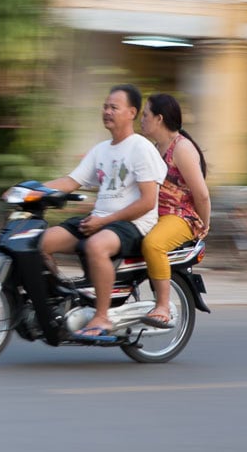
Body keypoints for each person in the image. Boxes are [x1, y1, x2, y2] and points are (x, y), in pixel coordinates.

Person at [40, 84, 167, 341]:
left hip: (133, 224)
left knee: (96, 246)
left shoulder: (140, 148)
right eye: (105, 106)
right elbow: (70, 181)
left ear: (132, 112)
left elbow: (147, 202)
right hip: (101, 220)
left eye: (114, 107)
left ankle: (102, 317)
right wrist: (28, 188)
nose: (107, 111)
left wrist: (104, 221)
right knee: (40, 242)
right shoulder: (101, 150)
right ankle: (61, 300)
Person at [139, 93, 210, 327]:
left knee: (153, 244)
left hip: (180, 216)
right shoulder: (153, 147)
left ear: (159, 119)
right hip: (153, 214)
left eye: (145, 115)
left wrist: (203, 224)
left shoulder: (182, 148)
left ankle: (163, 306)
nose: (141, 119)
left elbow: (201, 194)